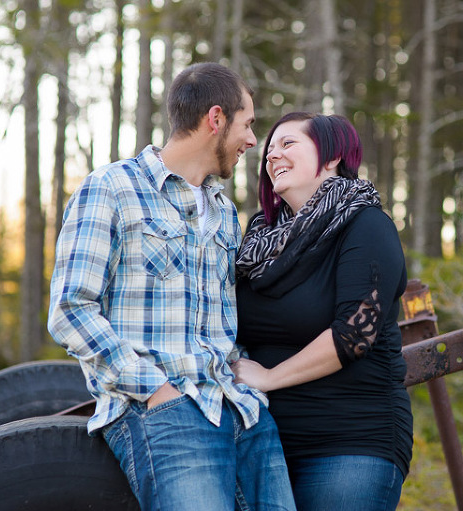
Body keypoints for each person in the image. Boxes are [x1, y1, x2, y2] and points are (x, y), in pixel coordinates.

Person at [48, 62, 296, 511]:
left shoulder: (224, 213)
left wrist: (246, 379)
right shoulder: (112, 187)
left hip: (241, 410)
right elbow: (71, 309)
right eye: (248, 124)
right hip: (161, 410)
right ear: (215, 120)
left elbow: (225, 319)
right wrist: (156, 390)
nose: (253, 141)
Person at [231, 112, 413, 511]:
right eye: (269, 148)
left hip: (351, 442)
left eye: (288, 144)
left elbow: (355, 333)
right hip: (264, 444)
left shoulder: (366, 225)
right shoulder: (258, 238)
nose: (272, 155)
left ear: (331, 157)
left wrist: (269, 377)